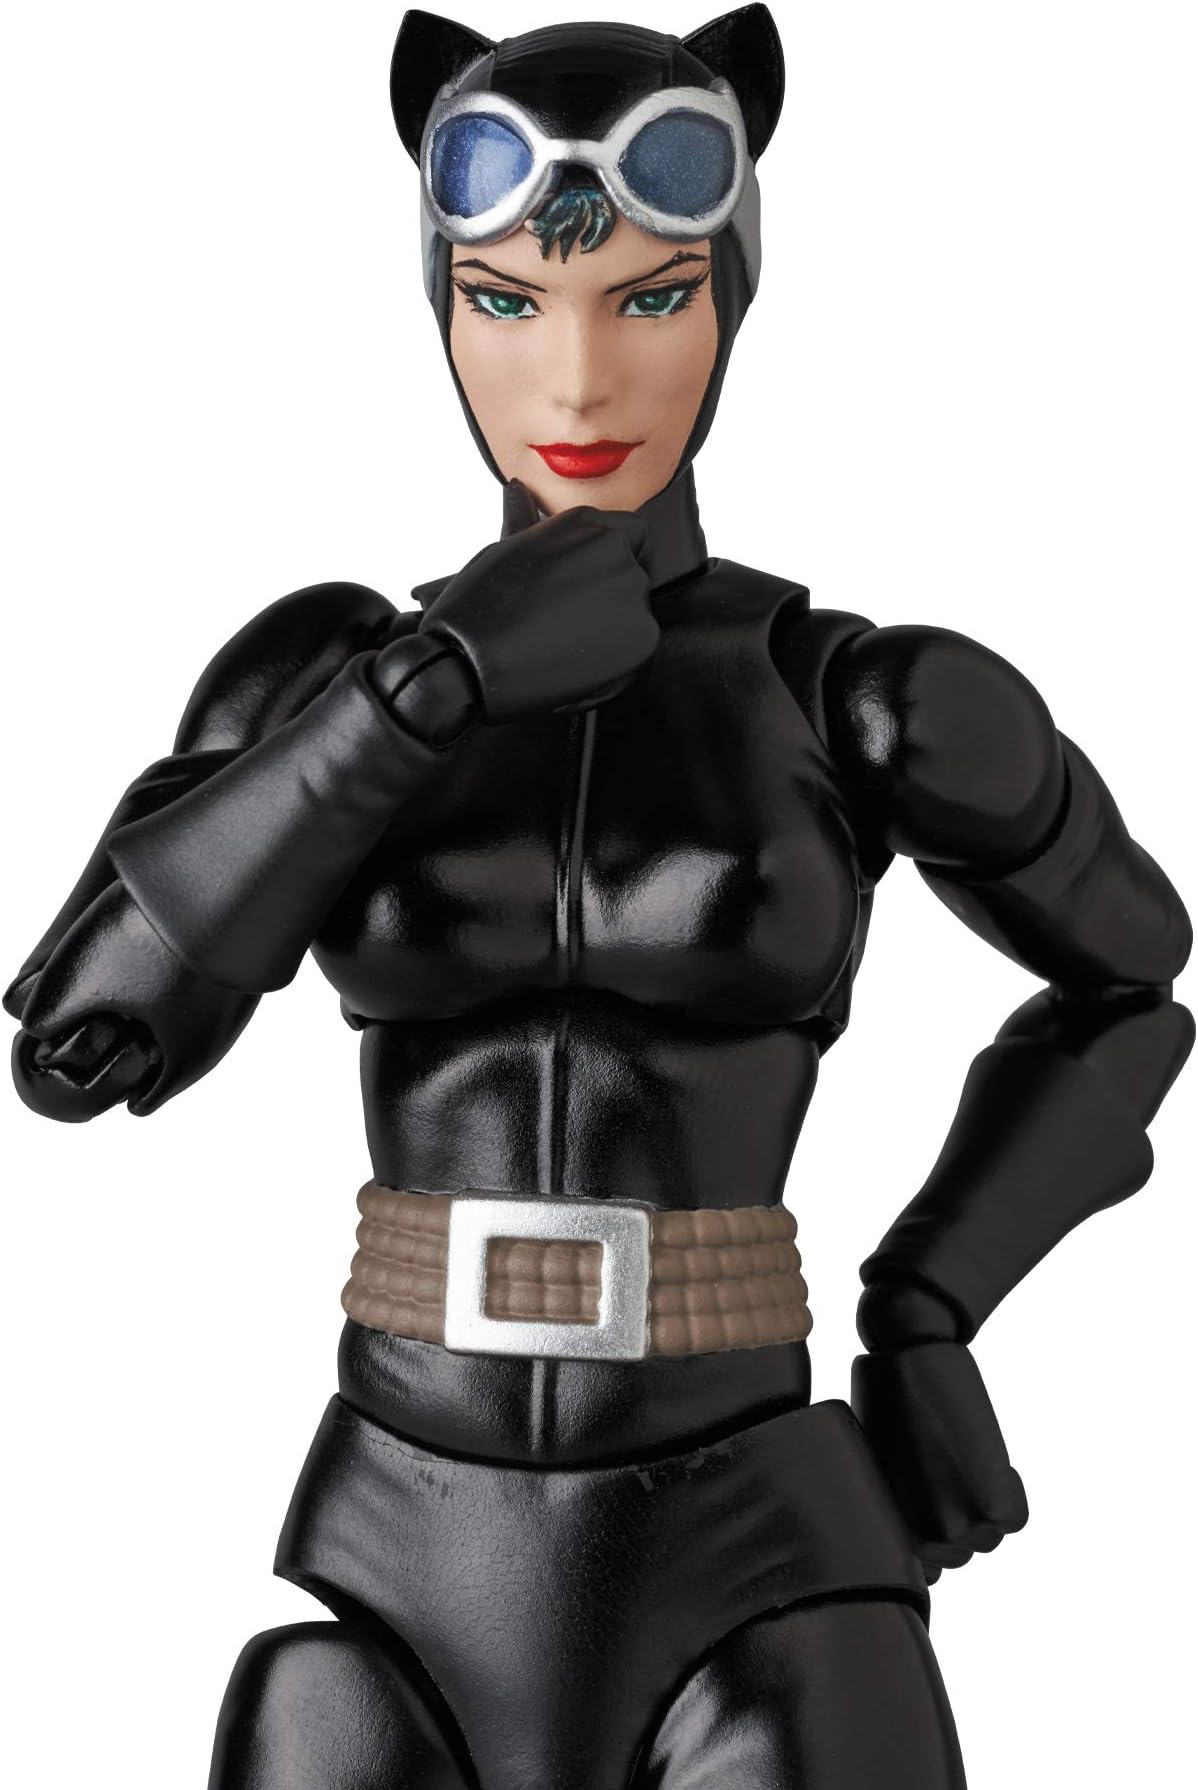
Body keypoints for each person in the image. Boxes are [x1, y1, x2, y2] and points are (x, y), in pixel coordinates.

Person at [6, 8, 1191, 1786]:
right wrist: (420, 694)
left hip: (757, 1536)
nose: (575, 385)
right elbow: (84, 1045)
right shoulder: (332, 677)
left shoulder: (857, 697)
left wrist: (929, 1303)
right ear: (440, 306)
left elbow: (1133, 978)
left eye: (647, 299)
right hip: (395, 1541)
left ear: (729, 303)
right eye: (507, 300)